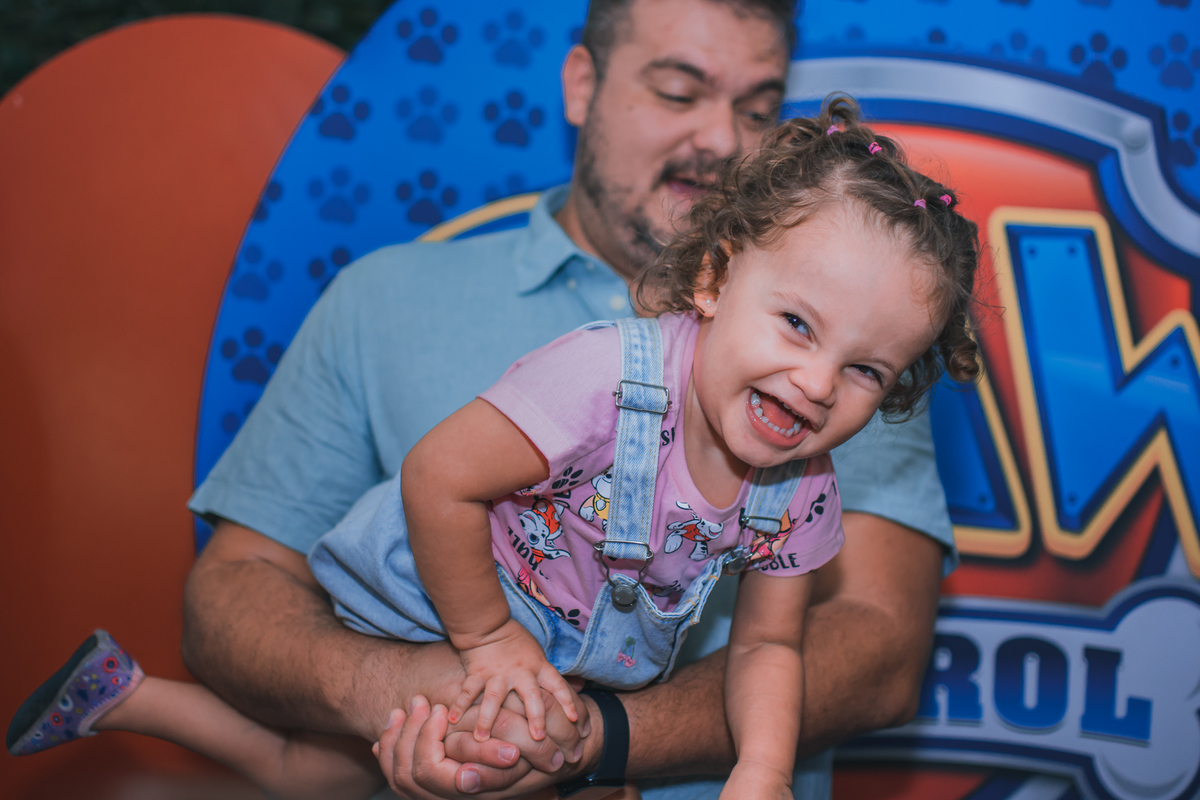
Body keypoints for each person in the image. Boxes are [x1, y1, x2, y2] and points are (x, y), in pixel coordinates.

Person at [8, 101, 980, 800]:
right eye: (799, 325)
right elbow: (438, 475)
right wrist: (485, 643)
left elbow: (768, 642)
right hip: (435, 586)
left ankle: (123, 692)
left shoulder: (801, 487)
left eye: (865, 370)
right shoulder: (606, 377)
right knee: (467, 756)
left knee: (319, 771)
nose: (816, 383)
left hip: (576, 647)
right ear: (719, 276)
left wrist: (761, 768)